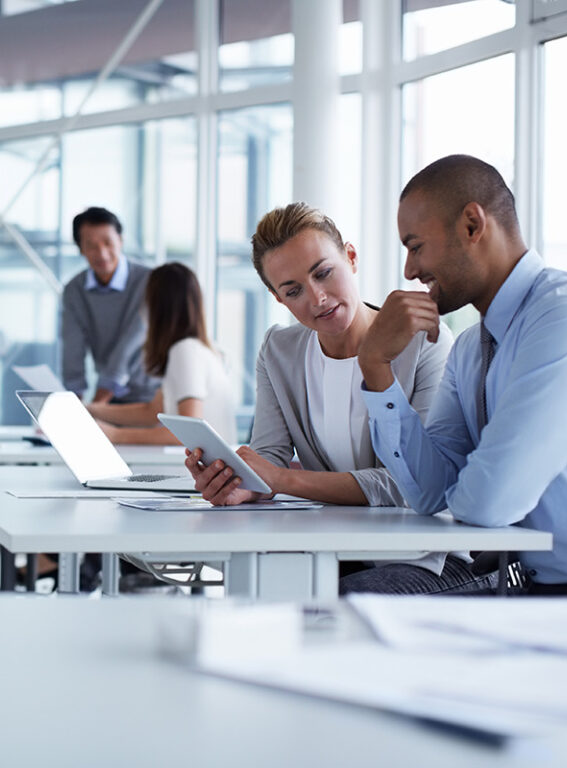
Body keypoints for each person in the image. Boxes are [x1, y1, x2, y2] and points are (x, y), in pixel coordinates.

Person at [357, 154, 567, 596]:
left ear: (471, 225)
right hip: (542, 596)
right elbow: (430, 493)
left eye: (415, 245)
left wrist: (465, 487)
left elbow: (487, 503)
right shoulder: (470, 348)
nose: (409, 271)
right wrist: (375, 367)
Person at [185, 202, 494, 595]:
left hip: (428, 557)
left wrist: (282, 480)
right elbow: (269, 459)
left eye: (324, 273)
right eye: (293, 290)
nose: (317, 299)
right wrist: (239, 482)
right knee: (258, 591)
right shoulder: (280, 350)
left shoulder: (425, 344)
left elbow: (412, 484)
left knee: (327, 603)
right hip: (337, 550)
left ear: (350, 257)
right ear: (278, 298)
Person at [87, 262, 237, 445]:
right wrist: (90, 410)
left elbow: (189, 433)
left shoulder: (185, 352)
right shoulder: (198, 349)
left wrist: (115, 435)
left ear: (158, 307)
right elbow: (152, 411)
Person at [61, 206, 159, 405]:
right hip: (110, 398)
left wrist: (97, 403)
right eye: (91, 246)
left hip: (152, 396)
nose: (102, 254)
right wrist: (73, 404)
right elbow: (73, 347)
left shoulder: (150, 281)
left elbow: (132, 340)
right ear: (80, 249)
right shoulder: (74, 290)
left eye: (108, 243)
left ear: (120, 241)